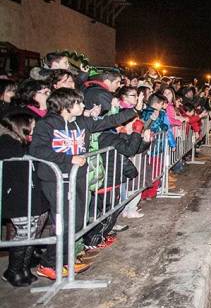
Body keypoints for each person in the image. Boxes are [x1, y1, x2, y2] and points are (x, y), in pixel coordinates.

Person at [28, 88, 136, 280]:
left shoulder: (81, 122)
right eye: (78, 102)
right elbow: (37, 150)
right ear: (66, 105)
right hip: (56, 180)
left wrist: (133, 111)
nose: (82, 105)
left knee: (78, 221)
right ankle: (48, 263)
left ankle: (63, 259)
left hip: (78, 178)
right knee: (65, 222)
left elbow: (108, 122)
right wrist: (68, 158)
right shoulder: (47, 124)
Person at [0, 112, 48, 286]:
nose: (34, 130)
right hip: (17, 198)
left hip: (30, 195)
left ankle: (24, 268)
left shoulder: (22, 143)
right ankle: (12, 270)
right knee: (24, 233)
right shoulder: (7, 143)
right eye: (32, 126)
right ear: (22, 126)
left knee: (31, 233)